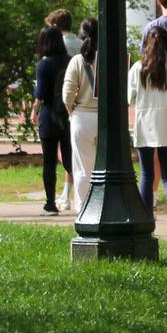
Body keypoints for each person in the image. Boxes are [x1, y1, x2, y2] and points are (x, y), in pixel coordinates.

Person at [130, 24, 167, 237]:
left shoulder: (138, 68)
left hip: (144, 122)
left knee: (146, 174)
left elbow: (130, 98)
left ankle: (147, 220)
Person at [29, 23, 72, 213]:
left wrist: (34, 110)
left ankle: (50, 202)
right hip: (69, 114)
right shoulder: (70, 60)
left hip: (49, 115)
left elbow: (40, 93)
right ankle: (82, 196)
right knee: (72, 159)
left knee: (49, 161)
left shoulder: (43, 64)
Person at [63, 17, 101, 209]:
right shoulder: (109, 59)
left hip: (82, 118)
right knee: (103, 167)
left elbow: (67, 93)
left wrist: (71, 110)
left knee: (82, 167)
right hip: (104, 118)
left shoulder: (77, 61)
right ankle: (103, 205)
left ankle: (83, 208)